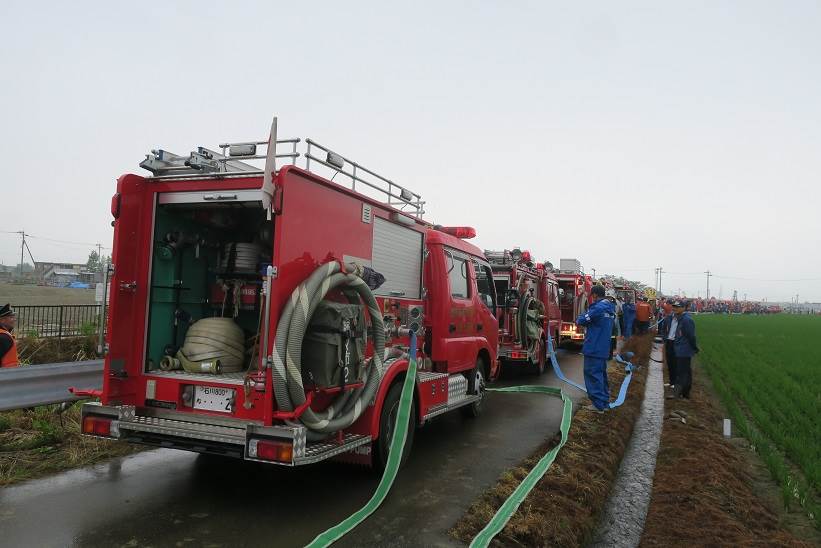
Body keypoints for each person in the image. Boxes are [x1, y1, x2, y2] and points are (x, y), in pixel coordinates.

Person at [576, 285, 616, 413]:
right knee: (601, 375)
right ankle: (604, 402)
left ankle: (598, 405)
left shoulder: (597, 308)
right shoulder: (610, 308)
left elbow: (581, 320)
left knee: (592, 375)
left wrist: (580, 317)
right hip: (603, 348)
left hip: (594, 347)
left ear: (594, 295)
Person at [667, 299, 699, 399]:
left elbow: (691, 336)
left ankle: (677, 394)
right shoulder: (679, 318)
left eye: (678, 307)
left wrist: (694, 347)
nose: (675, 309)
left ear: (684, 308)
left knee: (682, 373)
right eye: (674, 307)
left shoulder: (686, 320)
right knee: (685, 372)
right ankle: (685, 394)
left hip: (684, 350)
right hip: (680, 349)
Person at [659, 302, 677, 389]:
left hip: (677, 343)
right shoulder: (668, 318)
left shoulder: (682, 319)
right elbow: (663, 329)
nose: (675, 309)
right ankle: (671, 381)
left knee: (675, 363)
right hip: (669, 342)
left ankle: (676, 382)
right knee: (669, 363)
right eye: (674, 308)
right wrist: (664, 338)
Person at [0, 303, 20, 368]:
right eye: (11, 317)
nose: (14, 319)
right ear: (2, 320)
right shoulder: (4, 338)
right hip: (6, 375)